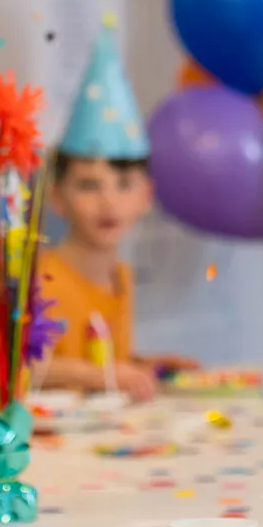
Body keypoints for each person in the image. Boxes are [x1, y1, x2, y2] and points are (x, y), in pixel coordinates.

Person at [32, 28, 197, 402]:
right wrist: (107, 375)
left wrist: (143, 366)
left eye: (123, 185)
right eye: (89, 185)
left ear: (146, 196)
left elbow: (101, 358)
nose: (108, 202)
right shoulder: (42, 279)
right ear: (57, 197)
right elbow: (27, 369)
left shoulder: (119, 277)